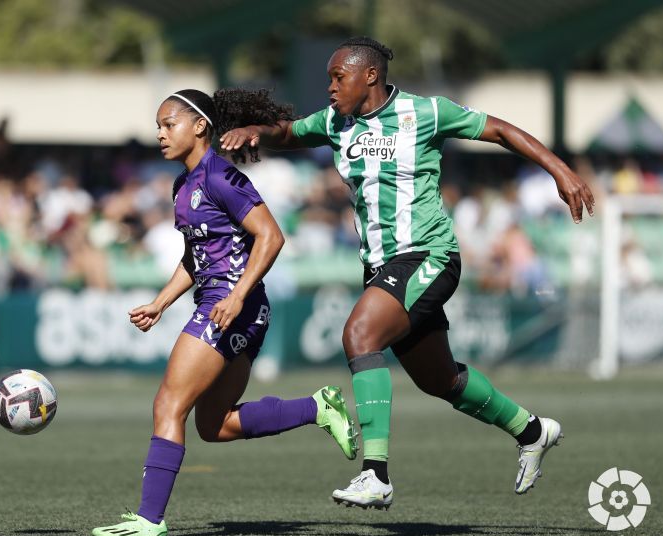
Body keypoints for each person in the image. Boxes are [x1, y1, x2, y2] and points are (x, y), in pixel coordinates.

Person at [221, 37, 595, 510]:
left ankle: (375, 474)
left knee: (360, 335)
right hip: (380, 265)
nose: (331, 88)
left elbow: (499, 130)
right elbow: (291, 132)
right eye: (330, 79)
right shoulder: (338, 122)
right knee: (440, 380)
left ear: (370, 76)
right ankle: (534, 430)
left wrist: (560, 171)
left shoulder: (427, 112)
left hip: (428, 255)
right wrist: (257, 128)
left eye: (339, 77)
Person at [90, 89, 358, 536]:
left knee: (167, 405)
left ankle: (149, 520)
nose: (160, 134)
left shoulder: (219, 176)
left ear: (199, 126)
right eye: (158, 125)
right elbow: (196, 257)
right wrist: (161, 301)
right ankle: (317, 407)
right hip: (227, 306)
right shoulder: (183, 185)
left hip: (233, 308)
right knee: (213, 426)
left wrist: (236, 295)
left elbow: (270, 237)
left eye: (168, 123)